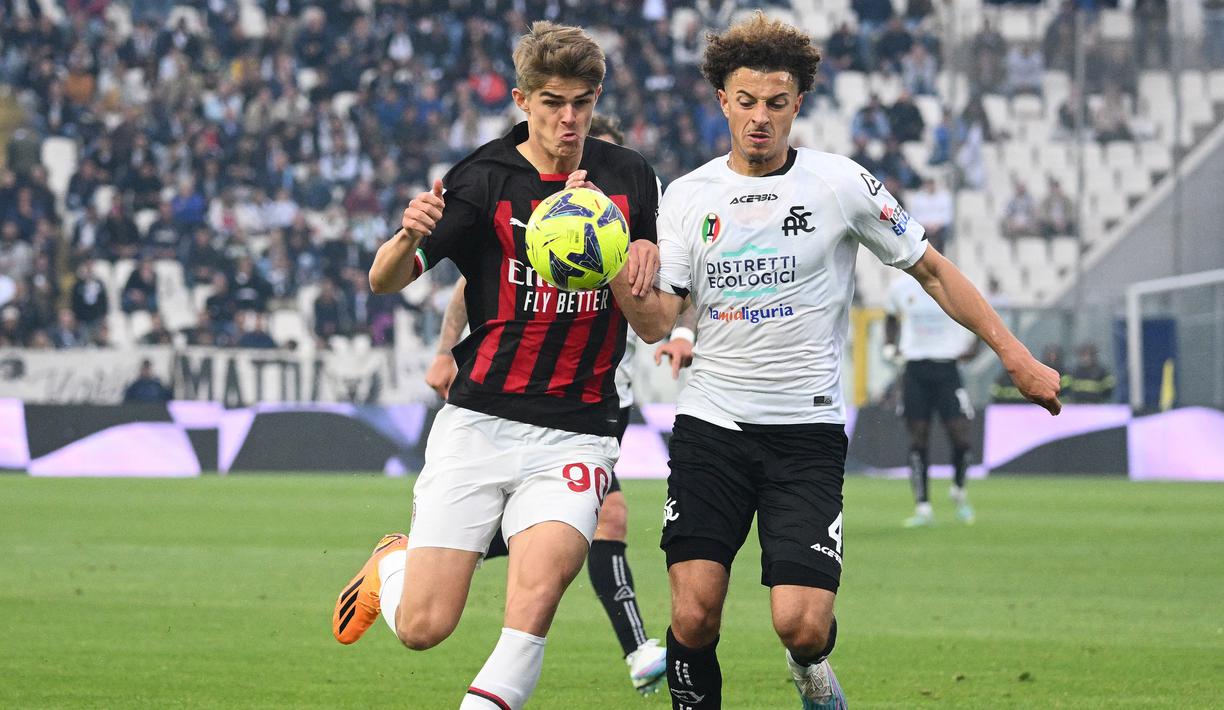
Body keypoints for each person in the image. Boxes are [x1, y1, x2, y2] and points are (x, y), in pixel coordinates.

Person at [607, 13, 1062, 710]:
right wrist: (614, 270)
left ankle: (810, 669)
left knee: (801, 624)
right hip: (710, 429)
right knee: (694, 615)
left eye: (776, 102)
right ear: (722, 100)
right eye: (746, 101)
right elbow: (655, 325)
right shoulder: (687, 198)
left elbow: (933, 271)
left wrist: (1016, 357)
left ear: (797, 103)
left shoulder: (839, 183)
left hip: (805, 434)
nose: (760, 118)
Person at [330, 23, 661, 710]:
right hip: (479, 423)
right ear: (521, 99)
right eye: (549, 102)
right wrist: (408, 231)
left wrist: (643, 274)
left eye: (580, 102)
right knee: (423, 627)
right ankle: (391, 562)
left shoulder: (627, 178)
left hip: (578, 430)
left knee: (535, 598)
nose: (567, 118)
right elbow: (383, 280)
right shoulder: (480, 180)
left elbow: (650, 308)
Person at [421, 113, 678, 696]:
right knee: (427, 623)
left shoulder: (638, 206)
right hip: (512, 402)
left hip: (598, 400)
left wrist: (642, 269)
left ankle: (637, 648)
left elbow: (670, 304)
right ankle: (637, 647)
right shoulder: (537, 214)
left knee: (577, 538)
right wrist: (444, 351)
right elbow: (469, 283)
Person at [884, 260, 980, 527]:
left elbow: (978, 313)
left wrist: (975, 347)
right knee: (918, 440)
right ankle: (923, 506)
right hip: (915, 369)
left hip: (948, 369)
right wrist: (890, 345)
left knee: (961, 438)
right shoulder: (900, 288)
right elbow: (890, 318)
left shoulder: (953, 284)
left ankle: (958, 491)